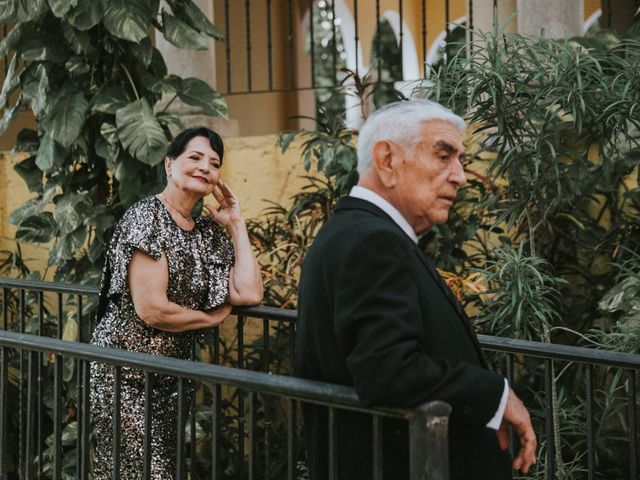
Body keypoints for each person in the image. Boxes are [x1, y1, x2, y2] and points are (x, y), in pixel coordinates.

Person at [296, 100, 537, 480]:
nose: (460, 175)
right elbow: (388, 370)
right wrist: (494, 392)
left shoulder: (349, 230)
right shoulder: (373, 241)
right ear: (387, 160)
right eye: (444, 156)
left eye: (459, 159)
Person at [90, 127, 263, 479]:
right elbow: (152, 309)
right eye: (195, 158)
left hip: (172, 376)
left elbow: (248, 293)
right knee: (142, 472)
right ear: (170, 164)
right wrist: (210, 319)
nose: (205, 168)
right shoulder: (147, 218)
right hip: (125, 371)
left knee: (164, 468)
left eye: (214, 164)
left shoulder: (205, 231)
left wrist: (236, 224)